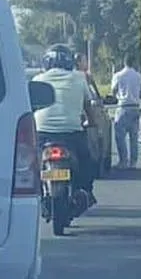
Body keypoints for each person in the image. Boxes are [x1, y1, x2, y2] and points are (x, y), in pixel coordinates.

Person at [33, 44, 96, 204]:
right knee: (87, 163)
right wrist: (92, 122)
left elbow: (30, 108)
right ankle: (84, 192)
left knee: (30, 165)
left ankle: (36, 193)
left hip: (42, 132)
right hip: (72, 133)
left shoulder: (38, 79)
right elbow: (88, 106)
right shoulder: (80, 78)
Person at [111, 54, 141, 169]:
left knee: (120, 136)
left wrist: (119, 95)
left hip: (123, 107)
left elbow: (113, 90)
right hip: (135, 107)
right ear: (134, 62)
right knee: (134, 137)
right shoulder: (139, 76)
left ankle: (123, 161)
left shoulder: (118, 76)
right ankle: (133, 162)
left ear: (124, 62)